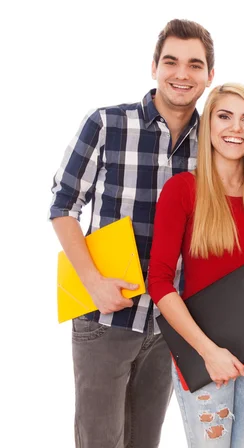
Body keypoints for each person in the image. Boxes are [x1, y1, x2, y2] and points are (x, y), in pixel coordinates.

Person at [49, 19, 216, 447]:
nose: (182, 74)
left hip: (167, 323)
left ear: (209, 76)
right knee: (99, 441)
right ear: (154, 67)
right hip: (106, 315)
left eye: (195, 65)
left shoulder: (216, 141)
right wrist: (93, 283)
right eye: (171, 62)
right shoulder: (107, 124)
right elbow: (63, 206)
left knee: (145, 441)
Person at [147, 83, 244, 447]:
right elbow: (160, 281)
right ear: (208, 125)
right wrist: (209, 351)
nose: (236, 128)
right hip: (202, 353)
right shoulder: (183, 190)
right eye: (225, 116)